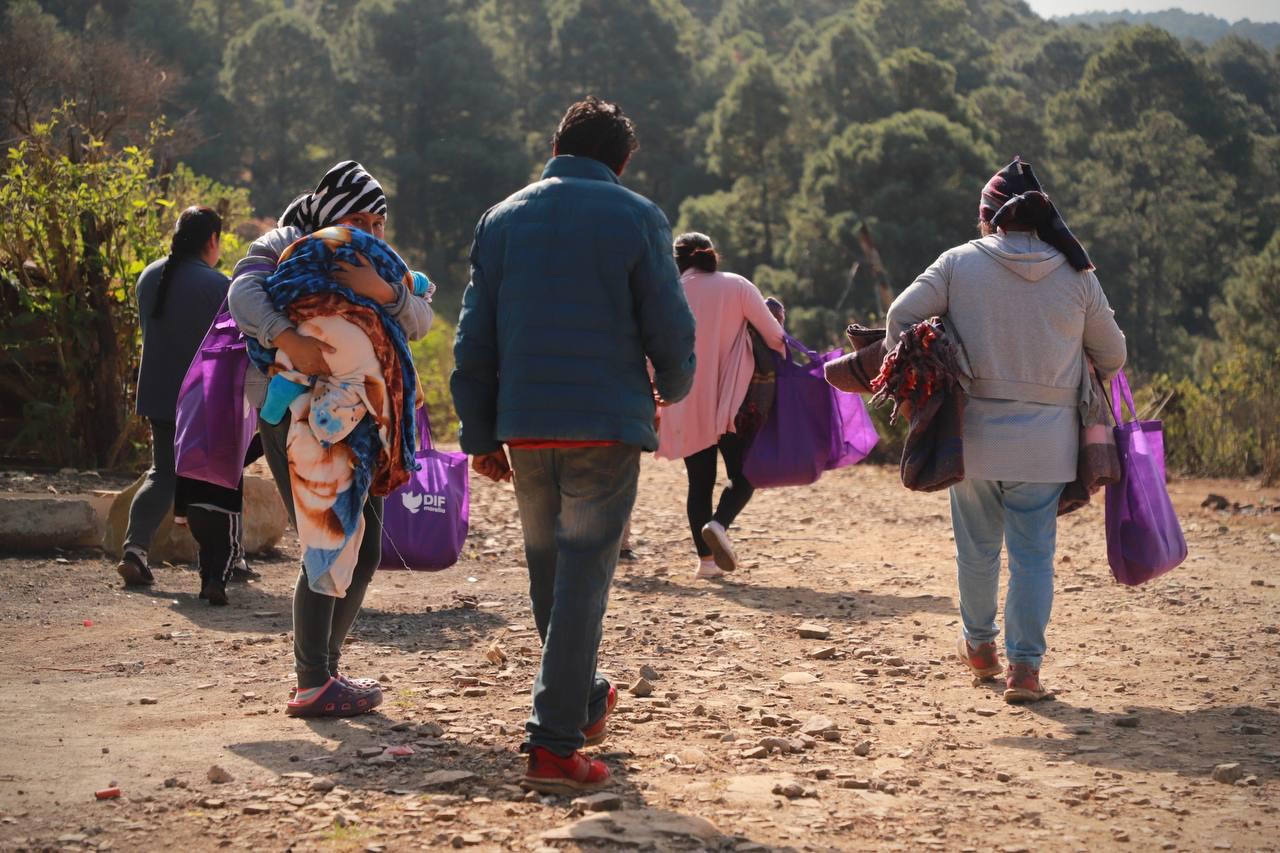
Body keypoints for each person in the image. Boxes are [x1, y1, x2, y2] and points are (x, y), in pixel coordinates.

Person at [452, 97, 696, 793]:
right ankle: (554, 744)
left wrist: (479, 430)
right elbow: (670, 327)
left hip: (526, 423)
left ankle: (584, 701)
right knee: (583, 577)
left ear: (557, 145)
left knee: (549, 572)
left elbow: (474, 337)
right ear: (622, 161)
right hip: (604, 423)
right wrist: (673, 386)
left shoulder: (501, 219)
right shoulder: (638, 216)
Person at [885, 157, 1126, 704]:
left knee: (976, 550)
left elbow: (900, 316)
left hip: (972, 435)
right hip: (1047, 443)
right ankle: (1025, 670)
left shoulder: (957, 263)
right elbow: (1113, 354)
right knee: (1033, 557)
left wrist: (930, 371)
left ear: (988, 216)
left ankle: (979, 648)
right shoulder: (1077, 275)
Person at [228, 161, 434, 718]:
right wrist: (288, 339)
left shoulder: (374, 261)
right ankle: (313, 679)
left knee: (366, 549)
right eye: (357, 218)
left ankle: (326, 670)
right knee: (328, 535)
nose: (369, 230)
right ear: (329, 213)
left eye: (378, 221)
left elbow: (419, 320)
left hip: (365, 419)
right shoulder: (285, 244)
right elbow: (242, 293)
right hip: (296, 414)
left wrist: (383, 291)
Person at [653, 233, 786, 580]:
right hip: (734, 399)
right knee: (745, 475)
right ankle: (719, 523)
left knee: (699, 482)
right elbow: (775, 337)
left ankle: (706, 563)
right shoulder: (738, 285)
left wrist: (654, 390)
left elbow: (653, 349)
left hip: (685, 399)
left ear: (676, 261)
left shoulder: (668, 293)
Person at [117, 206, 230, 587]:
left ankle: (135, 549)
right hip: (202, 399)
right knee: (215, 479)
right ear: (211, 240)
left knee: (162, 473)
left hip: (158, 394)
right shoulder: (218, 285)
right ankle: (225, 561)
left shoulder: (149, 276)